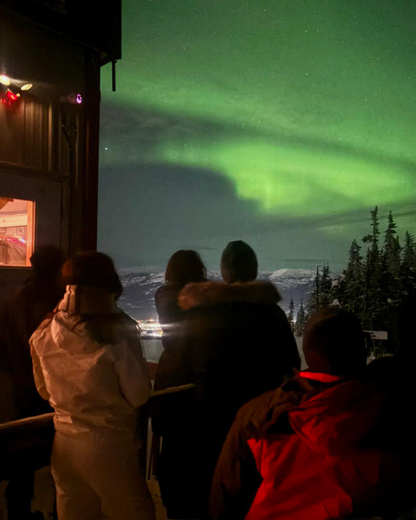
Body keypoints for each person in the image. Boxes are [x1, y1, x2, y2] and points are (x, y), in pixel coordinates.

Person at [210, 308, 408, 520]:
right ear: (362, 350)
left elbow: (226, 497)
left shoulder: (259, 417)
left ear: (307, 351)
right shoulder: (392, 410)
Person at [177, 240, 299, 518]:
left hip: (209, 415)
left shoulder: (201, 313)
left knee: (213, 488)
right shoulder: (273, 315)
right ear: (254, 270)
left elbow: (183, 362)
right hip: (260, 422)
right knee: (254, 492)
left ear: (224, 272)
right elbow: (291, 366)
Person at [30, 251, 155, 520]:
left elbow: (43, 390)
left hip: (63, 443)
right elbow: (139, 395)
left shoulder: (43, 331)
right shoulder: (117, 333)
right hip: (110, 445)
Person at [152, 250, 207, 519]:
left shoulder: (164, 297)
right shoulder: (203, 303)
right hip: (197, 383)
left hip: (169, 379)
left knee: (172, 452)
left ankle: (174, 507)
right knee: (197, 454)